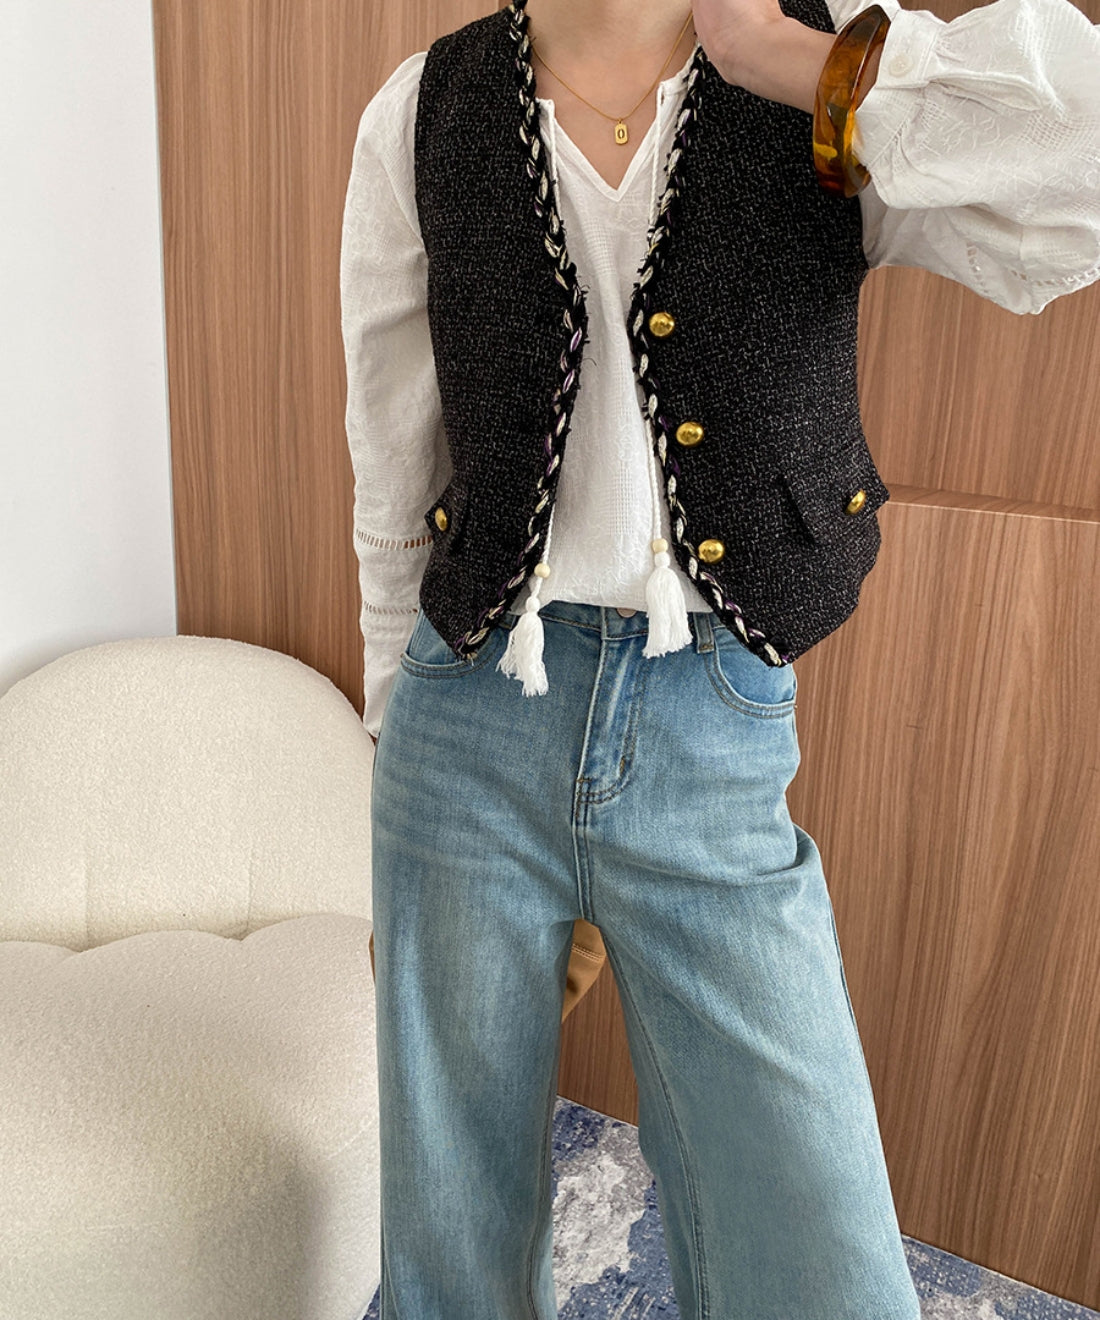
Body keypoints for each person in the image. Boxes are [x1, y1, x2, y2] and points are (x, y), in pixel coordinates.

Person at [340, 0, 1099, 1314]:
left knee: (817, 1260)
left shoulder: (826, 69)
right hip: (466, 719)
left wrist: (795, 61)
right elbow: (393, 450)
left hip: (708, 729)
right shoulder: (421, 109)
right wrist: (392, 743)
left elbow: (1078, 179)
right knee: (448, 1238)